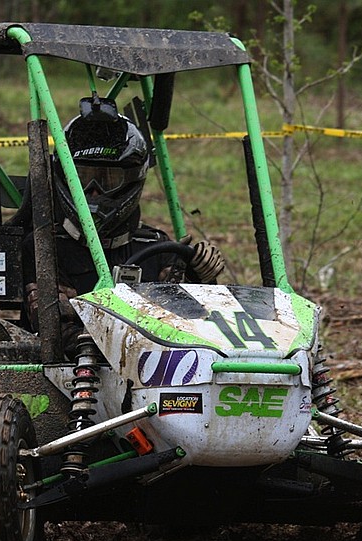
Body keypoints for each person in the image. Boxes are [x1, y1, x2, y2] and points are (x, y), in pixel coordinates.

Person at [23, 96, 225, 356]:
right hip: (75, 378)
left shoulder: (157, 247)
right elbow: (60, 334)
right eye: (83, 178)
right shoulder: (44, 247)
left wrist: (201, 278)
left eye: (108, 179)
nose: (94, 192)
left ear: (132, 179)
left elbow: (191, 329)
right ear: (64, 177)